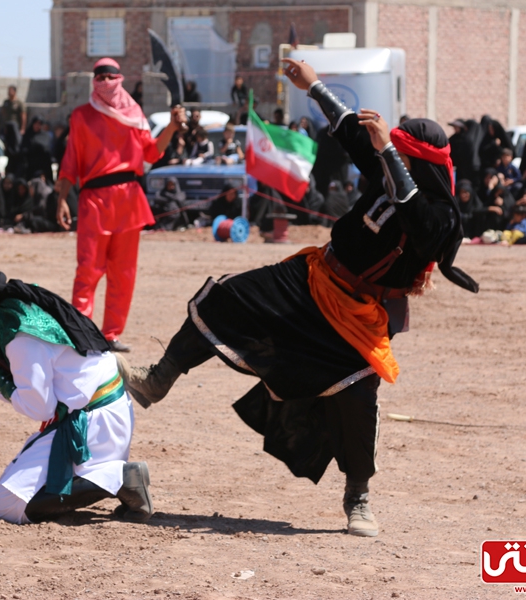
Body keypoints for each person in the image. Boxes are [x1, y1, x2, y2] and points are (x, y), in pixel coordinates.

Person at [124, 57, 478, 538]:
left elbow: (414, 216)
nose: (387, 155)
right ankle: (158, 378)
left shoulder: (441, 214)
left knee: (356, 396)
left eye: (400, 153)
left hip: (359, 314)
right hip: (312, 279)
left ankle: (359, 498)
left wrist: (390, 156)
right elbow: (350, 131)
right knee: (225, 297)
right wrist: (312, 85)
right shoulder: (383, 169)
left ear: (418, 161)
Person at [0, 269, 153, 524]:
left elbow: (39, 408)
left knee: (8, 503)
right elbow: (20, 392)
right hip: (99, 418)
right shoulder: (17, 313)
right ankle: (113, 478)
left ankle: (118, 479)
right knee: (21, 494)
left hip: (93, 427)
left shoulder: (19, 338)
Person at [56, 58, 187, 352]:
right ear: (93, 81)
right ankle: (81, 331)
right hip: (94, 199)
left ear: (120, 78)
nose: (105, 83)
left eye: (110, 77)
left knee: (123, 273)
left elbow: (151, 153)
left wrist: (172, 127)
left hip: (129, 198)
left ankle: (111, 334)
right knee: (88, 268)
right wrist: (62, 199)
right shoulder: (81, 116)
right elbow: (70, 162)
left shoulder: (134, 114)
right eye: (99, 77)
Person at [448, 119, 483, 187]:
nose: (455, 129)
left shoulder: (466, 138)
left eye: (457, 127)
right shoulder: (453, 138)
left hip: (468, 167)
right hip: (459, 167)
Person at [21, 116, 54, 184]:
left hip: (43, 165)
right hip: (31, 166)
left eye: (39, 124)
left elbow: (48, 148)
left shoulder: (45, 135)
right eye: (36, 124)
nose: (37, 126)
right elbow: (23, 149)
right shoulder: (27, 135)